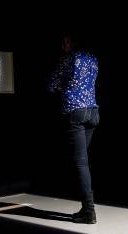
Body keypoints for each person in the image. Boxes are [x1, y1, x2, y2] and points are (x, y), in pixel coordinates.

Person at [48, 32, 100, 224]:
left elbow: (51, 85)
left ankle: (89, 211)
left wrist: (63, 88)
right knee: (82, 161)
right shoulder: (93, 58)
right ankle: (86, 208)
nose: (62, 44)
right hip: (93, 112)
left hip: (75, 112)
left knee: (80, 162)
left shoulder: (68, 58)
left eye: (65, 41)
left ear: (71, 41)